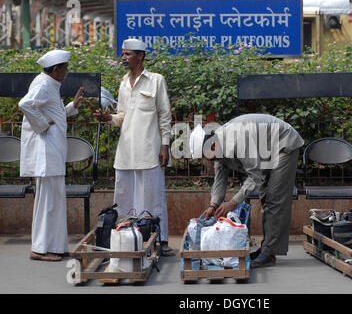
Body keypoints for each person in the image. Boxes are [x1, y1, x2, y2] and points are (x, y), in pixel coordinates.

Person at [94, 38, 174, 256]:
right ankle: (125, 240)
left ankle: (161, 242)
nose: (124, 58)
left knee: (153, 198)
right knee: (124, 199)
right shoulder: (122, 83)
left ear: (140, 56)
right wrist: (108, 117)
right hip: (126, 152)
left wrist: (164, 145)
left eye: (128, 54)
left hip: (149, 150)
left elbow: (164, 115)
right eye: (123, 54)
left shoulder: (156, 80)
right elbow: (122, 117)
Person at [193, 114, 304, 268]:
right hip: (268, 149)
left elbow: (255, 177)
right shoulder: (218, 150)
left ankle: (268, 253)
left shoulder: (237, 142)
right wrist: (213, 205)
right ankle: (267, 249)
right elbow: (220, 180)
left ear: (212, 146)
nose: (207, 161)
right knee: (266, 196)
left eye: (206, 156)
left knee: (274, 198)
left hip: (284, 144)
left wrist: (232, 203)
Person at [19, 49, 84, 261]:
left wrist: (71, 107)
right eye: (65, 68)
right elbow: (25, 104)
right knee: (48, 202)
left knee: (53, 201)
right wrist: (43, 125)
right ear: (56, 69)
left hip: (53, 153)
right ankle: (39, 249)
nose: (67, 72)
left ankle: (55, 245)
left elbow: (54, 113)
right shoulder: (43, 84)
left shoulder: (49, 84)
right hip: (47, 154)